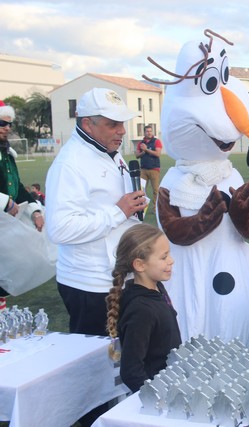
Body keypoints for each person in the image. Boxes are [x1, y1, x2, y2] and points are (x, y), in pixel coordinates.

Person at [46, 88, 146, 337]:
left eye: (122, 123)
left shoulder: (109, 151)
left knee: (125, 351)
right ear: (87, 125)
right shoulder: (70, 164)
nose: (122, 131)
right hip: (89, 283)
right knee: (98, 356)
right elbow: (59, 229)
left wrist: (133, 204)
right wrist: (118, 212)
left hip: (116, 275)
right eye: (113, 124)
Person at [106, 224, 181, 393]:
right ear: (140, 265)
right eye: (164, 257)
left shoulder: (157, 287)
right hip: (161, 392)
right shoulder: (141, 310)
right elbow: (131, 371)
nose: (171, 260)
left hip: (172, 381)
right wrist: (156, 398)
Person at [0, 100, 45, 304]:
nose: (7, 128)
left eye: (9, 124)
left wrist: (34, 210)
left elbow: (16, 186)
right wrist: (5, 202)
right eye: (2, 123)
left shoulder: (7, 153)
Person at [135, 125, 163, 215]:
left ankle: (155, 208)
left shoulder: (156, 141)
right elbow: (137, 155)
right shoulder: (141, 143)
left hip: (154, 169)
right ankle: (141, 208)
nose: (149, 133)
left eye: (150, 131)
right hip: (143, 169)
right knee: (141, 190)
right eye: (147, 131)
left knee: (155, 190)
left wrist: (146, 149)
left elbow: (158, 154)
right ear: (144, 132)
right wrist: (143, 151)